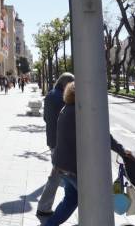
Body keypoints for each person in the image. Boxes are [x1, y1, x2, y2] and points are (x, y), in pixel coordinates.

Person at [43, 82, 127, 226]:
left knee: (71, 200)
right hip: (72, 168)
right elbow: (102, 134)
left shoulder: (67, 108)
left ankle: (49, 224)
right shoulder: (79, 112)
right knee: (96, 201)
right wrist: (122, 151)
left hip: (62, 165)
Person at [36, 72, 74, 218]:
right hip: (61, 143)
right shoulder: (62, 98)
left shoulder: (51, 95)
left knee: (57, 175)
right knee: (58, 176)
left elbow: (46, 118)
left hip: (52, 140)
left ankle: (44, 207)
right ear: (66, 84)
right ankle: (44, 207)